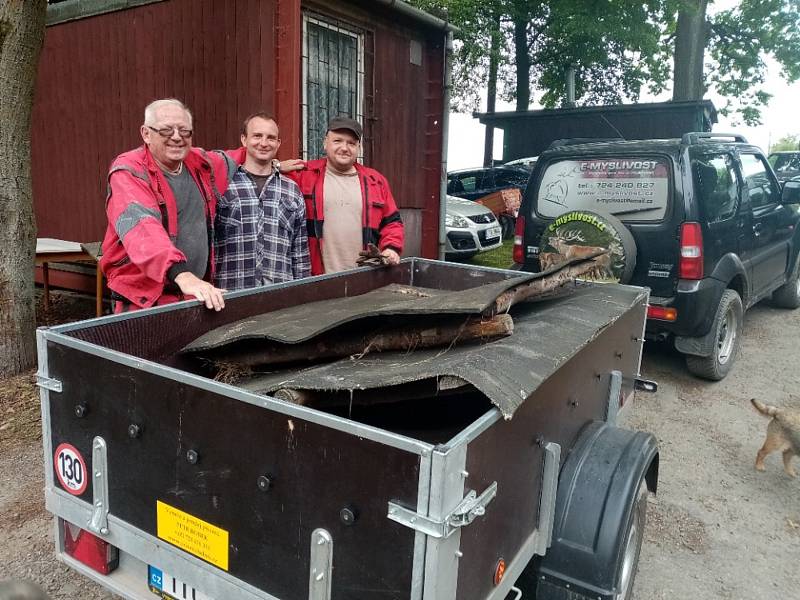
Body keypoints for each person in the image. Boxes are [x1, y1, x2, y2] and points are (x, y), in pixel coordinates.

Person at [100, 99, 234, 312]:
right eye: (166, 130)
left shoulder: (198, 162)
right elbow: (143, 229)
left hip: (191, 293)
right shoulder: (128, 171)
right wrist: (182, 274)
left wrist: (275, 164)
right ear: (145, 133)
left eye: (184, 131)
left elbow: (231, 159)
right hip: (145, 299)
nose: (176, 137)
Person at [282, 116, 404, 275]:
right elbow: (254, 161)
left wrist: (391, 248)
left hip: (365, 276)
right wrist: (275, 165)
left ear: (358, 147)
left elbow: (392, 222)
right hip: (315, 278)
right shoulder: (303, 174)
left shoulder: (376, 181)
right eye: (337, 141)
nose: (344, 148)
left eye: (351, 143)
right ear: (325, 143)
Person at [214, 113, 310, 290]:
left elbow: (300, 252)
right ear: (244, 139)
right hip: (229, 294)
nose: (264, 143)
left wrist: (303, 294)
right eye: (257, 136)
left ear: (278, 143)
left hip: (279, 297)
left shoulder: (291, 190)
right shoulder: (223, 186)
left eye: (271, 138)